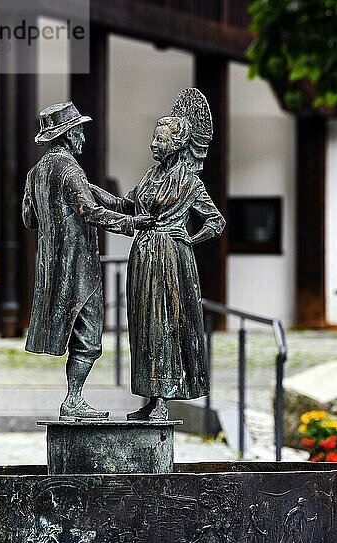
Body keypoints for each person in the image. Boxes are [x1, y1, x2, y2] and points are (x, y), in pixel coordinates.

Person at [90, 88, 225, 420]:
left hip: (170, 260)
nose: (154, 144)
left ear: (176, 144)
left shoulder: (190, 183)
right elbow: (126, 205)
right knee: (142, 326)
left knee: (164, 324)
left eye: (160, 140)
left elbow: (216, 220)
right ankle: (149, 398)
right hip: (143, 257)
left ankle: (163, 400)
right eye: (154, 138)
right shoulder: (149, 177)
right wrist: (93, 193)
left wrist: (190, 238)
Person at [22, 101, 153, 420]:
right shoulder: (68, 169)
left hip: (52, 269)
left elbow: (29, 218)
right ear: (66, 135)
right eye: (79, 131)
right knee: (90, 338)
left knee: (79, 335)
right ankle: (74, 399)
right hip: (79, 268)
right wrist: (131, 223)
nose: (83, 137)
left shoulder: (37, 172)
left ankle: (73, 399)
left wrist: (125, 204)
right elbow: (89, 210)